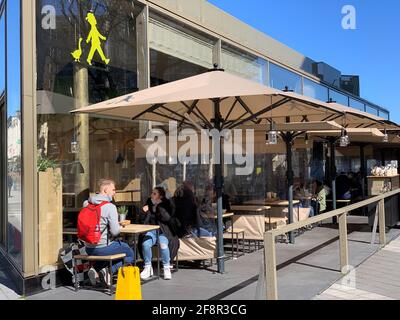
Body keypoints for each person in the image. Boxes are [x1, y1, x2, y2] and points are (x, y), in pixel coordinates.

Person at [83, 179, 135, 286]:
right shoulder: (110, 207)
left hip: (88, 247)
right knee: (130, 253)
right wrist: (119, 225)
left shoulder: (86, 203)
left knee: (112, 252)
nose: (115, 192)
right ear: (106, 190)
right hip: (103, 247)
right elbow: (115, 232)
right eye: (113, 190)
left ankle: (95, 270)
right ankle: (108, 271)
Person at [139, 187, 179, 280]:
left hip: (162, 232)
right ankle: (147, 267)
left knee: (163, 245)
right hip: (151, 231)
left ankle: (166, 267)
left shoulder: (166, 205)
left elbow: (167, 219)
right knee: (145, 244)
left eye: (154, 193)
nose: (151, 195)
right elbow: (141, 220)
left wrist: (158, 207)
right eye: (152, 193)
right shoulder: (148, 204)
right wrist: (143, 212)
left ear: (160, 196)